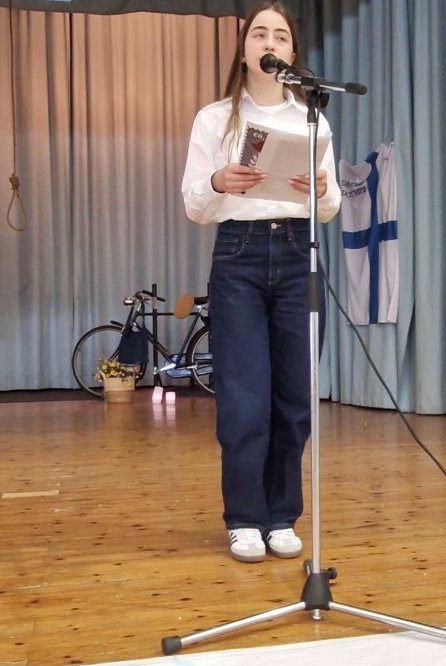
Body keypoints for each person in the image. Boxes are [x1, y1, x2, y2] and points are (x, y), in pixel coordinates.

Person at [181, 2, 341, 563]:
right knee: (244, 396)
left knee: (295, 396)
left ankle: (282, 516)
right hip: (240, 255)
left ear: (292, 52)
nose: (269, 42)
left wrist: (319, 187)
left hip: (299, 251)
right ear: (245, 49)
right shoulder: (214, 119)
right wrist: (218, 180)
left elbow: (330, 206)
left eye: (280, 35)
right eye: (259, 34)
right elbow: (194, 205)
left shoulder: (311, 118)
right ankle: (245, 517)